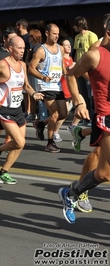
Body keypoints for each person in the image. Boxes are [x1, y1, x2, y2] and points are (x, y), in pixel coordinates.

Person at [58, 18, 110, 224]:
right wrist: (79, 101)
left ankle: (71, 193)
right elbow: (71, 75)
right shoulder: (95, 55)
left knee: (105, 173)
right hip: (106, 117)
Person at [0, 36, 44, 184]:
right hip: (4, 109)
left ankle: (3, 171)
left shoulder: (23, 65)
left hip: (17, 110)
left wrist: (34, 94)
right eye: (19, 48)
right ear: (11, 49)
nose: (22, 51)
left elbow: (26, 85)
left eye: (24, 48)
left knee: (20, 144)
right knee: (19, 141)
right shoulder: (1, 65)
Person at [29, 23, 67, 153]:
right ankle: (50, 143)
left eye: (58, 34)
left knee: (63, 114)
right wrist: (42, 77)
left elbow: (61, 64)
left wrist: (66, 73)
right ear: (47, 33)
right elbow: (31, 68)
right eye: (54, 34)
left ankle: (41, 124)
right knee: (55, 114)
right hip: (45, 86)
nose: (56, 36)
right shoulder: (41, 50)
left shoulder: (60, 49)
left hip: (57, 85)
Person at [73, 16, 98, 124]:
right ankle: (85, 117)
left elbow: (96, 51)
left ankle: (93, 117)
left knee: (90, 94)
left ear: (79, 25)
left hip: (88, 68)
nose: (73, 28)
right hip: (79, 69)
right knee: (82, 94)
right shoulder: (77, 37)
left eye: (75, 25)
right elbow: (76, 53)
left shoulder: (92, 35)